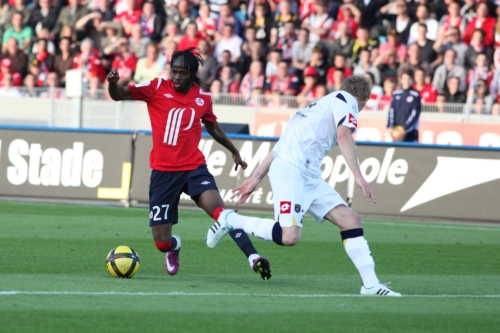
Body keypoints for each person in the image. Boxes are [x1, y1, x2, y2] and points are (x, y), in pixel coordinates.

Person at [206, 74, 401, 297]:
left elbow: (279, 147)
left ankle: (370, 285)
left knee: (350, 220)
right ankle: (229, 219)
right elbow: (344, 136)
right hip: (292, 171)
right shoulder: (347, 100)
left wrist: (256, 178)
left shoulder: (314, 108)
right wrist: (358, 175)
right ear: (363, 101)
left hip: (307, 173)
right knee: (289, 236)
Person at [106, 48, 272, 280]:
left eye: (182, 73)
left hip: (193, 169)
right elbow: (118, 95)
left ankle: (254, 258)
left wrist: (234, 151)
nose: (176, 76)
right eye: (173, 71)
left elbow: (212, 126)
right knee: (161, 242)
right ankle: (174, 247)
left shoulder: (203, 98)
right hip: (163, 173)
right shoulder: (155, 87)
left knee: (222, 213)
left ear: (192, 74)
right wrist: (112, 83)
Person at [387, 69, 421, 142]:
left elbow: (415, 114)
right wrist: (390, 126)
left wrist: (405, 129)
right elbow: (391, 111)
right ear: (401, 80)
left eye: (408, 79)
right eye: (404, 78)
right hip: (396, 131)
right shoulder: (396, 94)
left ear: (412, 80)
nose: (406, 81)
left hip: (410, 133)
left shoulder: (416, 95)